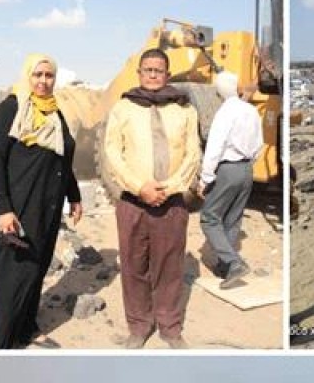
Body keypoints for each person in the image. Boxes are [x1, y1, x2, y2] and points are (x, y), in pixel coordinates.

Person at [101, 48, 201, 348]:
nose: (153, 75)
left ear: (168, 74)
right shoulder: (124, 108)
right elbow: (111, 153)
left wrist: (168, 188)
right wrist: (139, 186)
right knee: (133, 265)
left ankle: (170, 327)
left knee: (170, 267)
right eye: (148, 70)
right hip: (133, 201)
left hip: (171, 203)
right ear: (140, 73)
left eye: (159, 70)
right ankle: (139, 326)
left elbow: (192, 155)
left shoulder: (185, 109)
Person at [0, 54, 83, 349]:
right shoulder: (12, 107)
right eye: (37, 75)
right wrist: (3, 207)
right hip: (19, 206)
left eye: (49, 75)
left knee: (35, 269)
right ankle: (1, 345)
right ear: (28, 76)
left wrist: (74, 195)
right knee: (11, 276)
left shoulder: (55, 112)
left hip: (48, 207)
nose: (43, 81)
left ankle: (26, 328)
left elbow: (62, 158)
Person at [198, 72, 264, 287]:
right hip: (246, 168)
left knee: (209, 218)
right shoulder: (251, 110)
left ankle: (233, 263)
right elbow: (259, 144)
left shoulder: (225, 113)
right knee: (232, 219)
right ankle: (224, 267)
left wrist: (206, 178)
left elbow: (214, 147)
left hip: (227, 168)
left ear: (218, 92)